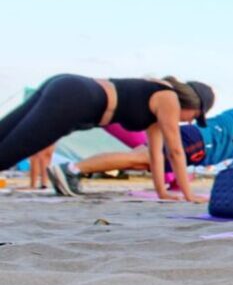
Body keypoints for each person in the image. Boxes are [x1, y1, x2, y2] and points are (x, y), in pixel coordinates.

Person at [0, 75, 214, 203]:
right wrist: (189, 195)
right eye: (194, 117)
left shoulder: (158, 101)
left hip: (67, 86)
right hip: (73, 98)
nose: (188, 123)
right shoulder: (169, 99)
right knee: (10, 151)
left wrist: (162, 192)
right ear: (192, 105)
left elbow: (156, 155)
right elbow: (176, 152)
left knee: (5, 136)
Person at [64, 93, 233, 188]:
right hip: (197, 143)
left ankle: (74, 170)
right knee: (138, 158)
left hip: (193, 136)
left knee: (138, 161)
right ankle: (73, 168)